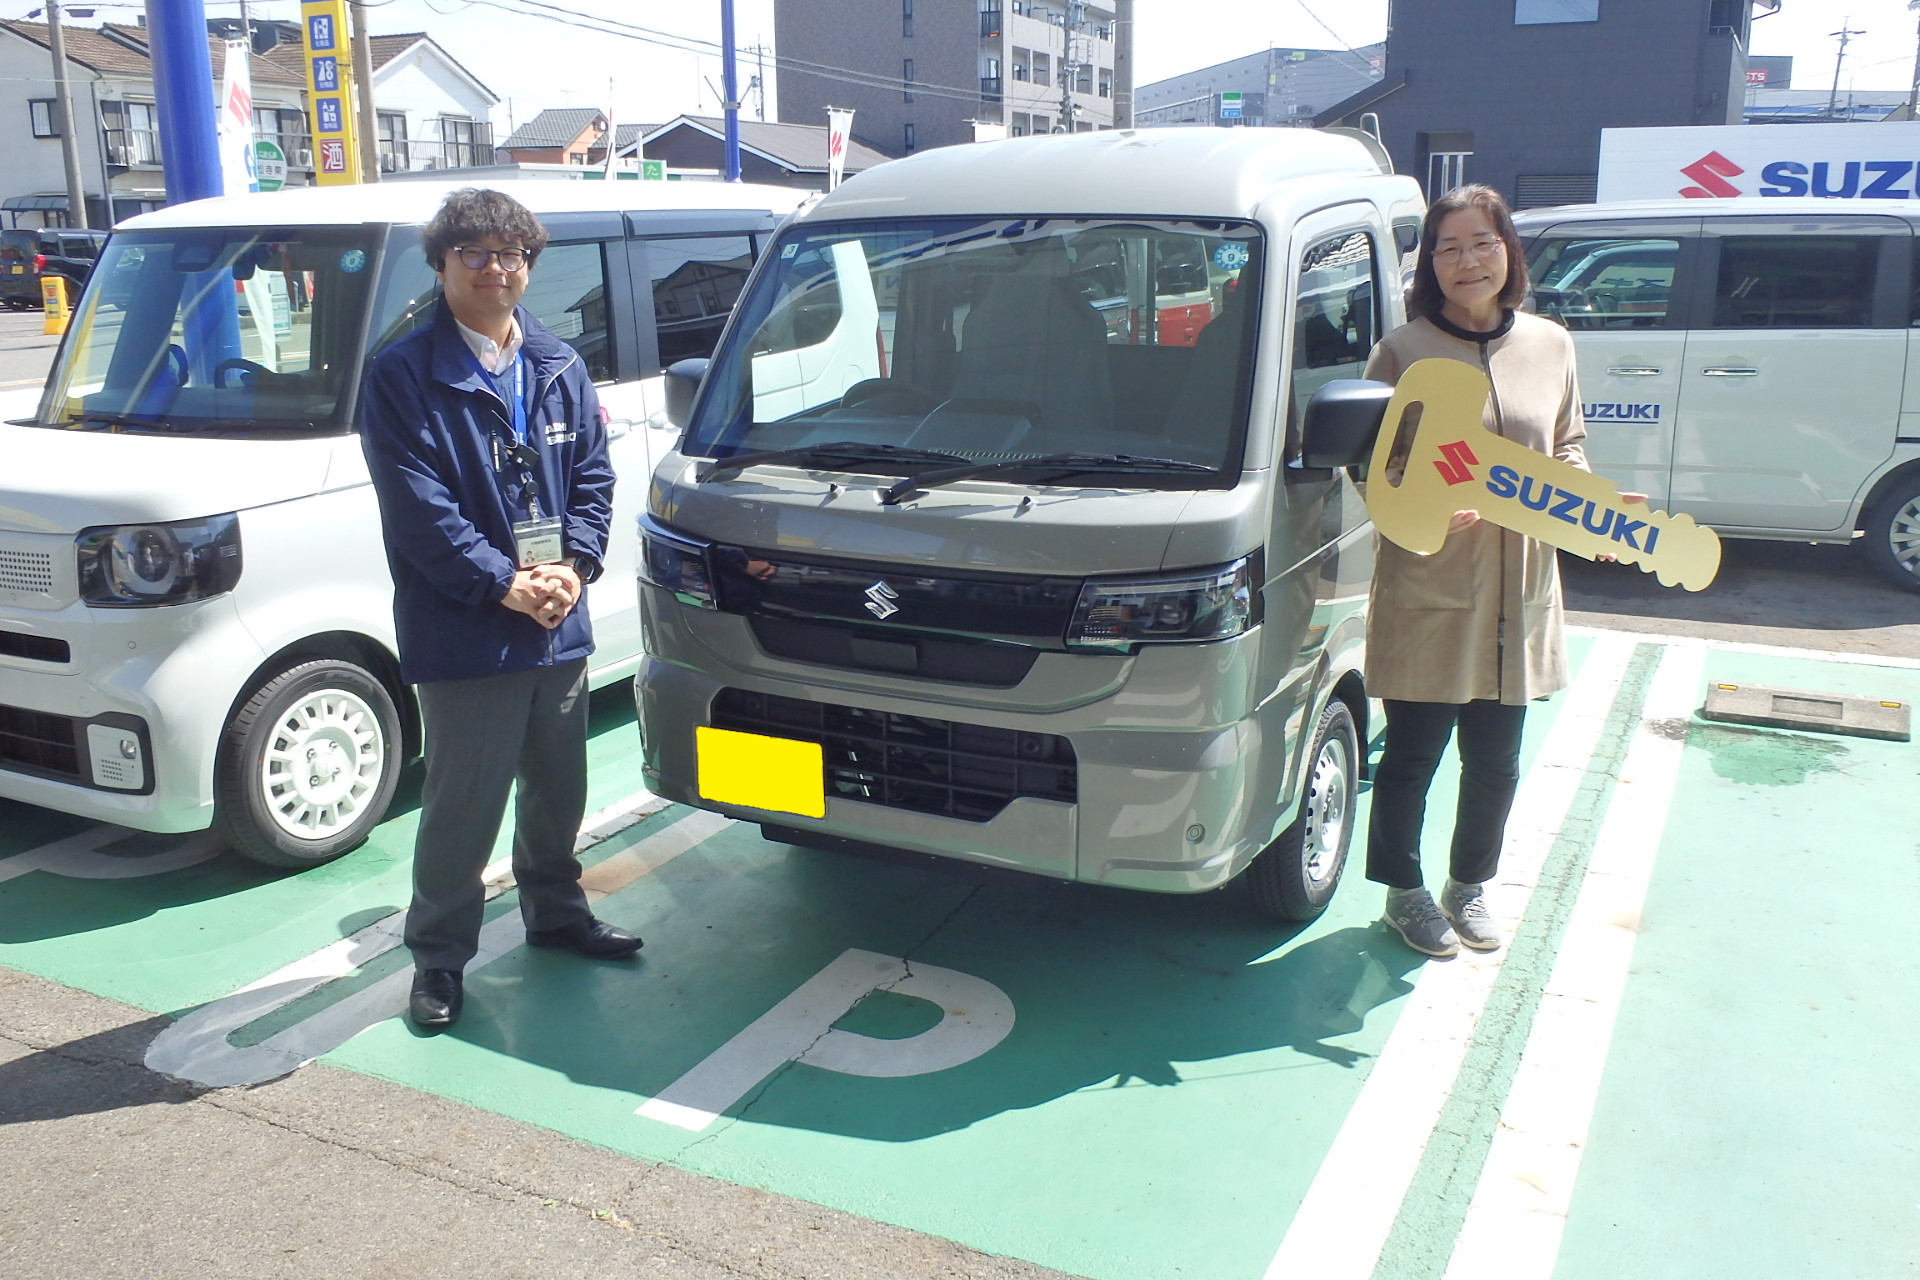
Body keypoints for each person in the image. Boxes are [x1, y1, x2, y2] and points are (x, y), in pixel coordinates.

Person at [359, 188, 640, 1031]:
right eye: (474, 253)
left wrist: (575, 566)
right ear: (441, 264)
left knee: (558, 789)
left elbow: (593, 476)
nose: (495, 268)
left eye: (511, 253)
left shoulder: (557, 364)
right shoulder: (403, 374)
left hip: (557, 621)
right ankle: (439, 958)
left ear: (529, 265)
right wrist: (502, 582)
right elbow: (418, 510)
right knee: (464, 804)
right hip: (469, 625)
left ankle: (556, 913)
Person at [1361, 184, 1643, 958]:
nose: (1467, 261)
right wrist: (1421, 507)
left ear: (1509, 252)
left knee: (1496, 760)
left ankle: (1468, 886)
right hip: (1431, 583)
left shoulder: (1551, 345)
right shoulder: (1403, 351)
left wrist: (1591, 505)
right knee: (1412, 757)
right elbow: (1373, 466)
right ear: (1429, 264)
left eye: (1482, 243)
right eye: (1448, 247)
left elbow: (1567, 444)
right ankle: (1404, 892)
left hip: (1520, 587)